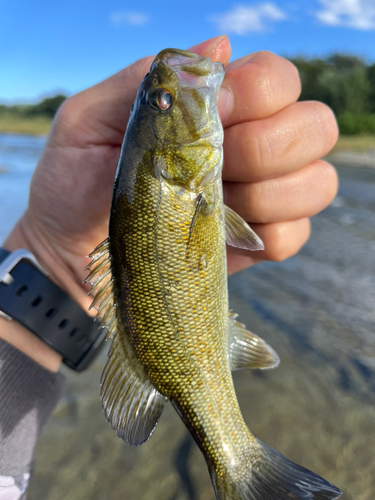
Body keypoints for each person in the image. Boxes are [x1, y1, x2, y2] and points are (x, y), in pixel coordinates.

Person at [0, 35, 338, 499]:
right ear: (163, 153)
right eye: (163, 101)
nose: (175, 91)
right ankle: (239, 464)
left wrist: (54, 263)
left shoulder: (185, 180)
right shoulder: (184, 184)